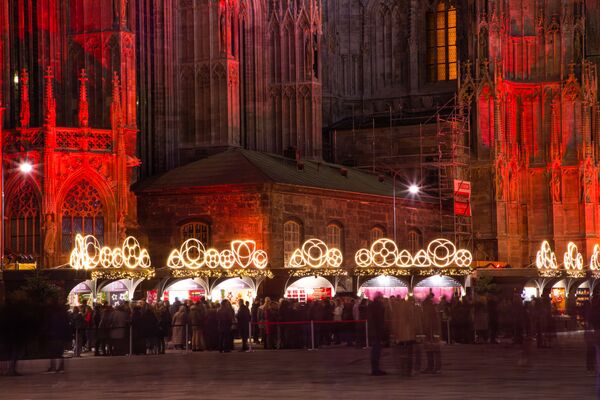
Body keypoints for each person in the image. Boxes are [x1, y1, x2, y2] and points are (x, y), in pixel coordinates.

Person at [367, 293, 387, 376]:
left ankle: (375, 368)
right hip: (376, 331)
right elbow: (379, 321)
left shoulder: (372, 306)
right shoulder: (378, 307)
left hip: (373, 331)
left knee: (375, 350)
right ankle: (375, 369)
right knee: (376, 350)